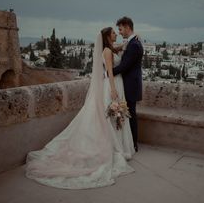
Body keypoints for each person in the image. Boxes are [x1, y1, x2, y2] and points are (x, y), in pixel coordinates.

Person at [25, 27, 135, 190]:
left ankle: (117, 145)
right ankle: (112, 147)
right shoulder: (106, 51)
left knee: (114, 116)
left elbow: (118, 49)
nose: (116, 34)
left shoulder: (110, 49)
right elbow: (110, 72)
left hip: (117, 83)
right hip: (112, 84)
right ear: (107, 36)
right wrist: (113, 90)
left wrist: (128, 42)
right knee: (110, 116)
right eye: (113, 33)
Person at [113, 16, 144, 152]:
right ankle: (130, 143)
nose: (119, 32)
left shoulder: (134, 45)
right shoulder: (131, 42)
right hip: (129, 83)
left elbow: (124, 66)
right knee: (129, 113)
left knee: (130, 114)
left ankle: (133, 144)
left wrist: (107, 73)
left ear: (127, 27)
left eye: (120, 29)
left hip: (131, 85)